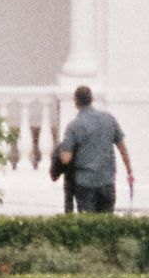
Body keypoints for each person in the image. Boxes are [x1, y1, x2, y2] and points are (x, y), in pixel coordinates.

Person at [51, 85, 134, 213]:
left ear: (76, 102)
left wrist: (59, 152)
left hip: (85, 182)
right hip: (107, 180)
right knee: (106, 224)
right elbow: (122, 148)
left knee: (88, 225)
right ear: (92, 99)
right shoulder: (109, 119)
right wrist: (129, 172)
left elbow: (66, 158)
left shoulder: (74, 126)